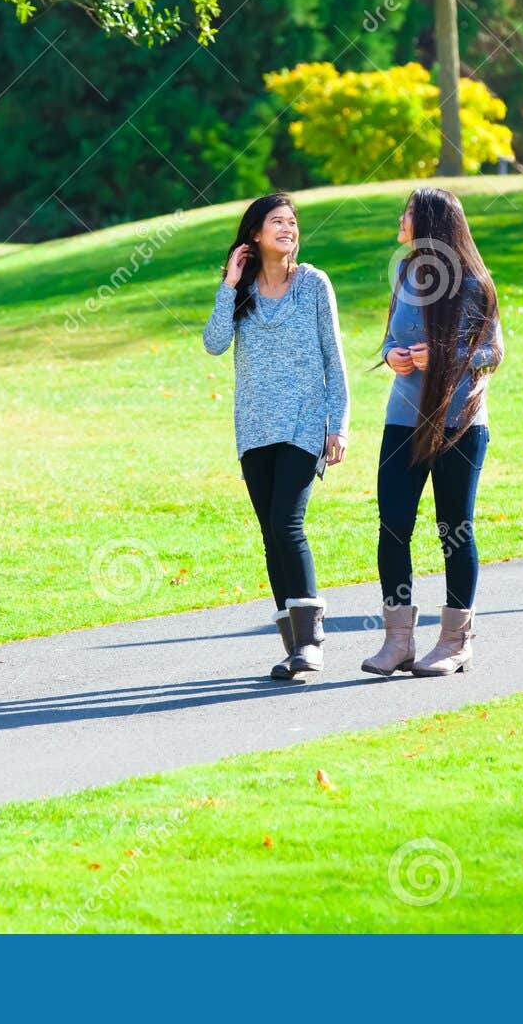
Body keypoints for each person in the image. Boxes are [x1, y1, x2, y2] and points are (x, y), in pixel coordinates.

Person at [203, 193, 349, 680]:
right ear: (254, 235)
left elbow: (334, 357)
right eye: (277, 222)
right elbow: (214, 343)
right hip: (254, 428)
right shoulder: (240, 292)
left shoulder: (312, 283)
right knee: (271, 533)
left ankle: (311, 641)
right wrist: (228, 282)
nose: (288, 228)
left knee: (288, 523)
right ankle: (294, 646)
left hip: (304, 425)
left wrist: (339, 423)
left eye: (292, 221)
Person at [362, 187, 504, 678]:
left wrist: (446, 358)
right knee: (393, 526)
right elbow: (390, 337)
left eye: (408, 213)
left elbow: (493, 352)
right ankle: (398, 641)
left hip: (459, 423)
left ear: (431, 223)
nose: (400, 220)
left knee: (453, 530)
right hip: (403, 419)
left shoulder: (473, 283)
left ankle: (455, 643)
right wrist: (393, 355)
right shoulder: (405, 274)